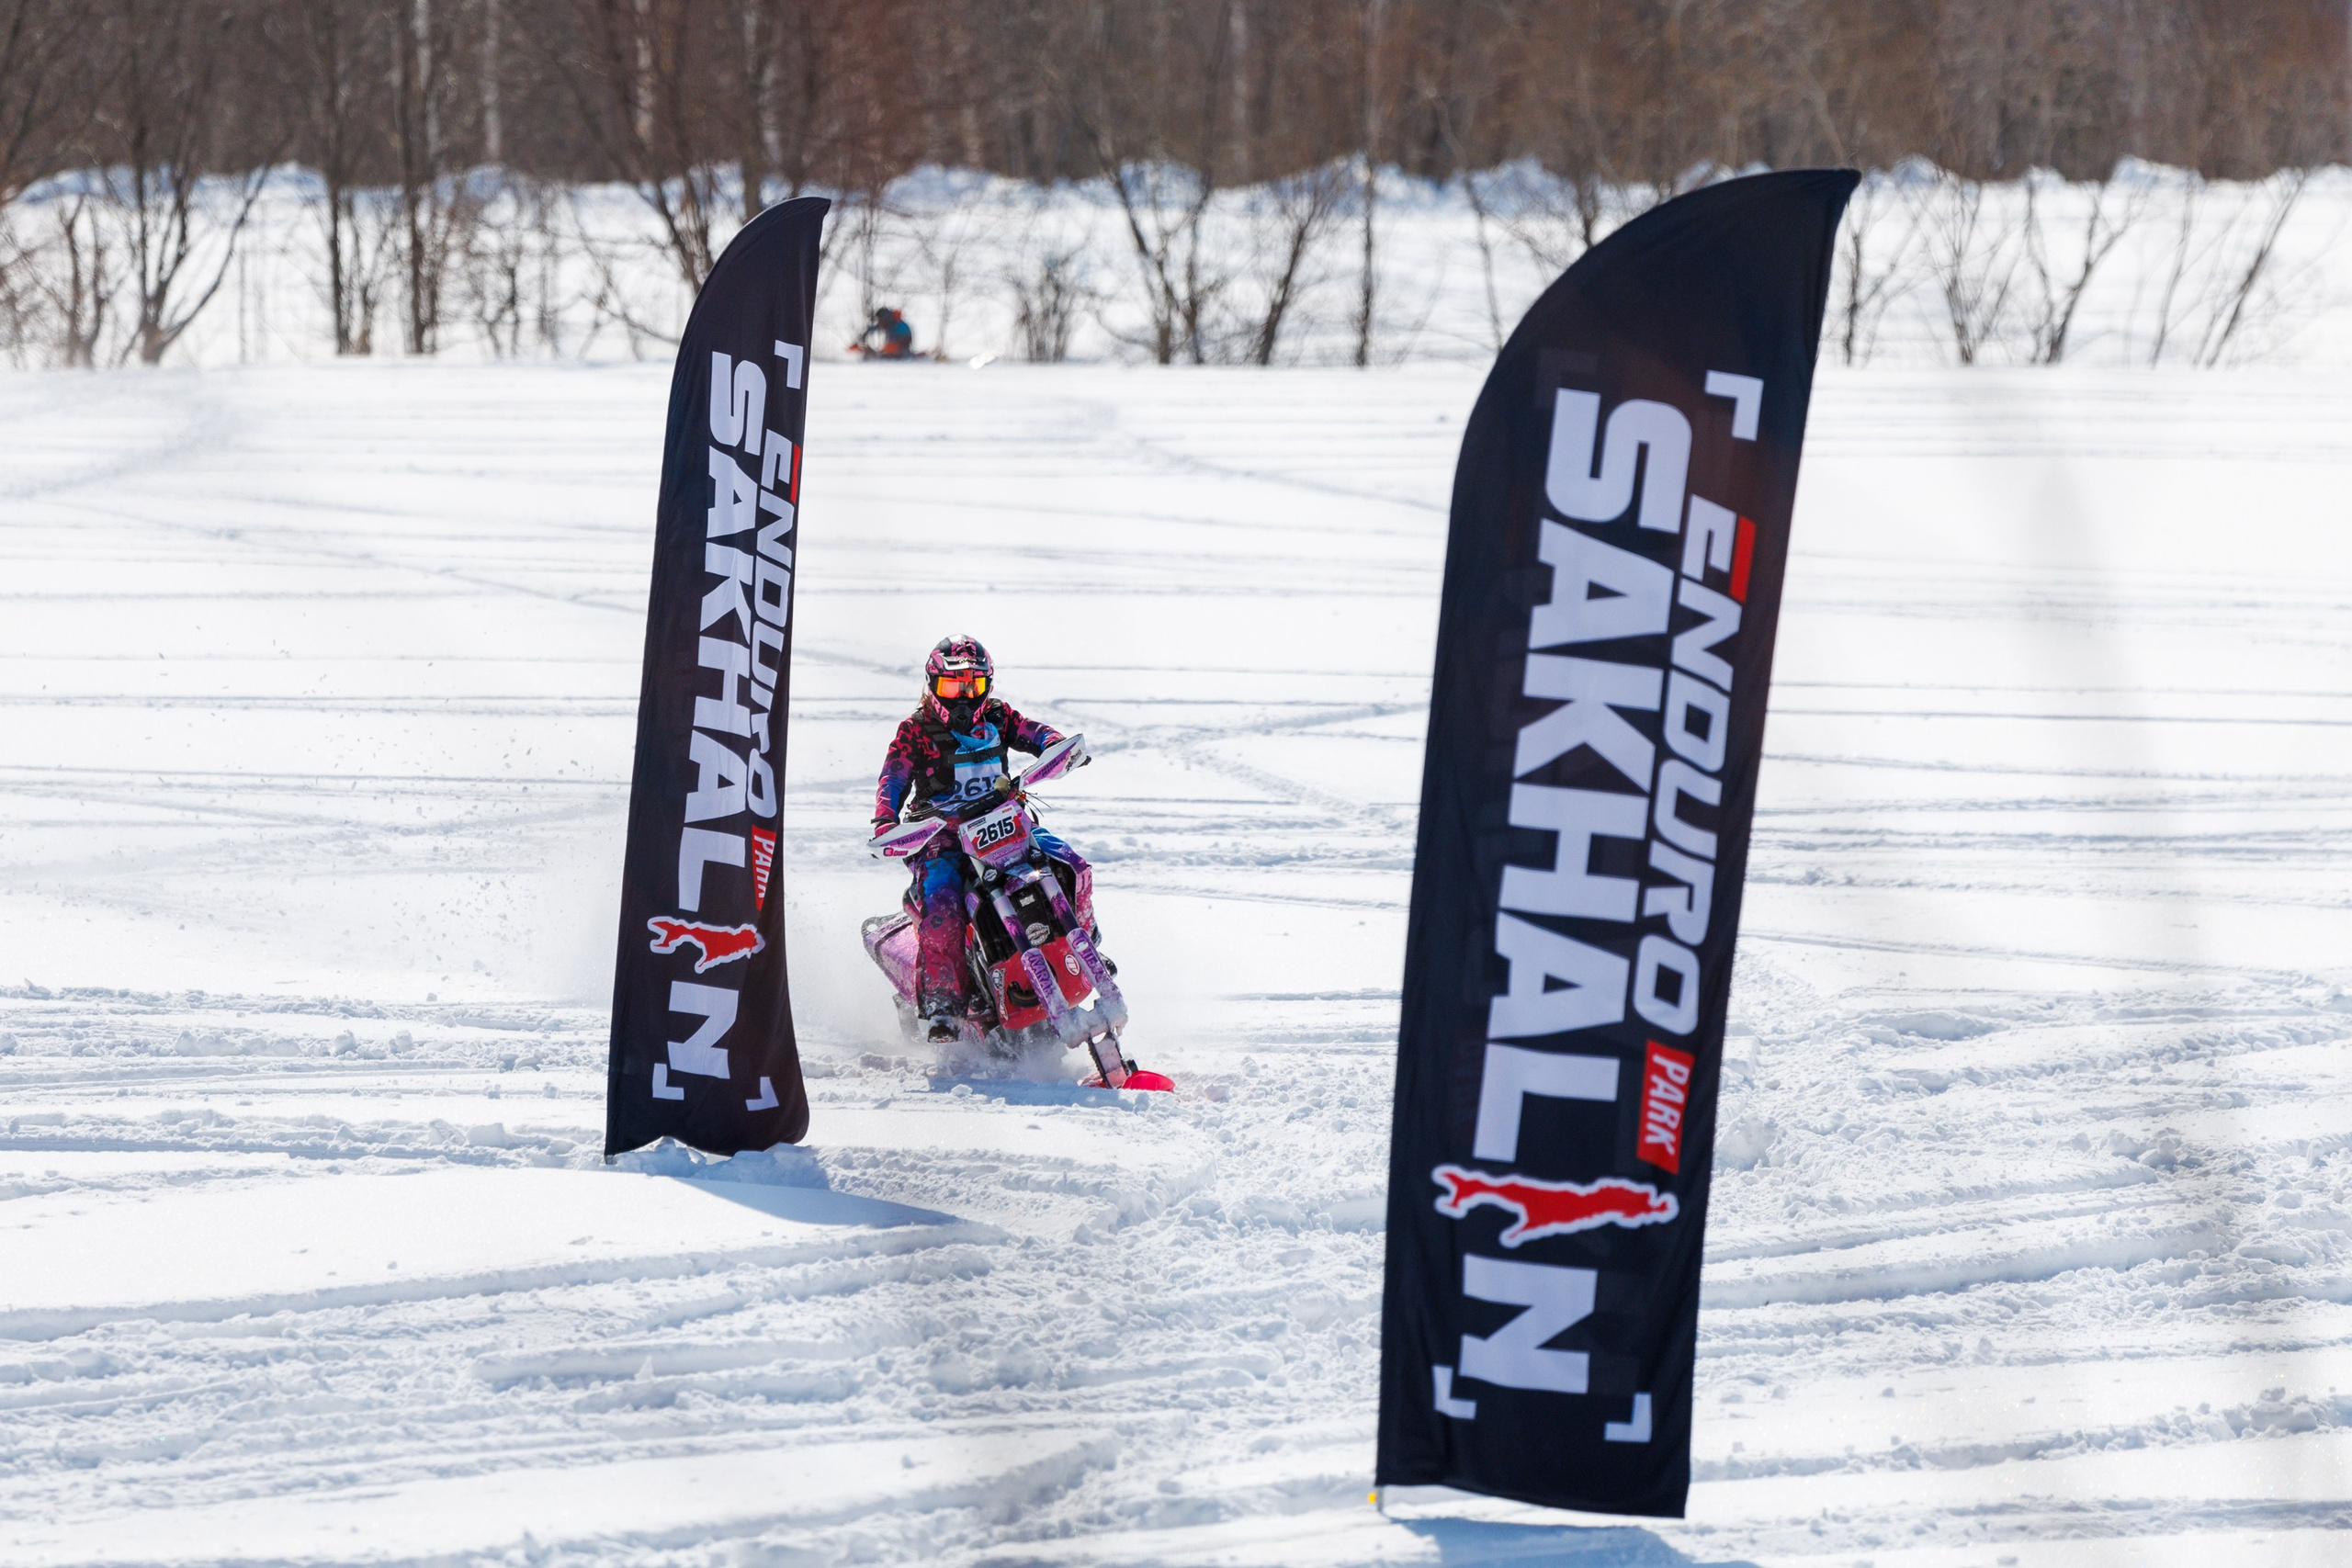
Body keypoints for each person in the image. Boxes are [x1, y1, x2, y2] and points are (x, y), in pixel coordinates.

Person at [873, 636, 1093, 1042]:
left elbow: (1032, 732)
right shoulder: (916, 730)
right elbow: (895, 776)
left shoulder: (997, 716)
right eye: (952, 686)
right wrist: (885, 819)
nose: (963, 698)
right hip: (944, 836)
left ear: (986, 685)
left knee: (1070, 864)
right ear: (932, 685)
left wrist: (1056, 747)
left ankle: (1087, 942)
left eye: (972, 686)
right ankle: (944, 1004)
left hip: (1005, 823)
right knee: (943, 904)